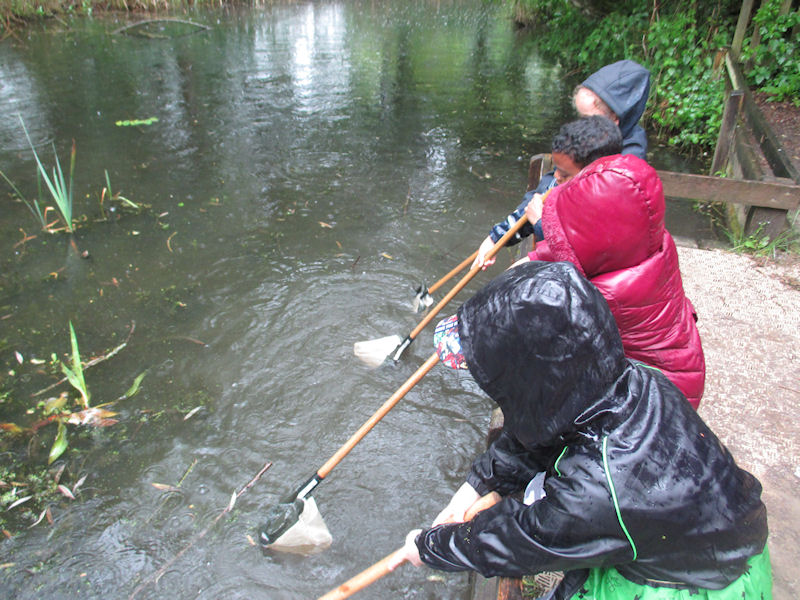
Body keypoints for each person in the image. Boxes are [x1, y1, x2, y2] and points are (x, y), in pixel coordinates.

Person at [388, 261, 772, 600]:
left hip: (697, 586)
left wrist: (430, 547)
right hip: (694, 536)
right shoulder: (630, 382)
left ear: (531, 379)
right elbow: (536, 432)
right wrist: (472, 488)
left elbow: (518, 541)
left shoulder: (599, 490)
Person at [510, 153, 705, 408]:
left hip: (659, 401)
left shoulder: (602, 295)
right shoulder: (652, 245)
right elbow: (580, 252)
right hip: (684, 370)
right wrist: (539, 256)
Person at [473, 59, 651, 269]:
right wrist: (498, 237)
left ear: (615, 120)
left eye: (587, 118)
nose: (582, 125)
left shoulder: (621, 173)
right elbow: (546, 192)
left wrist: (540, 225)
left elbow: (585, 251)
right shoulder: (592, 144)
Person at [474, 115, 623, 269]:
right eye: (555, 169)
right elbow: (527, 215)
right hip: (558, 255)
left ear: (594, 174)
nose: (556, 177)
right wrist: (495, 239)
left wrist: (540, 223)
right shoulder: (563, 185)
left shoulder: (609, 209)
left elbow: (575, 262)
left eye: (564, 174)